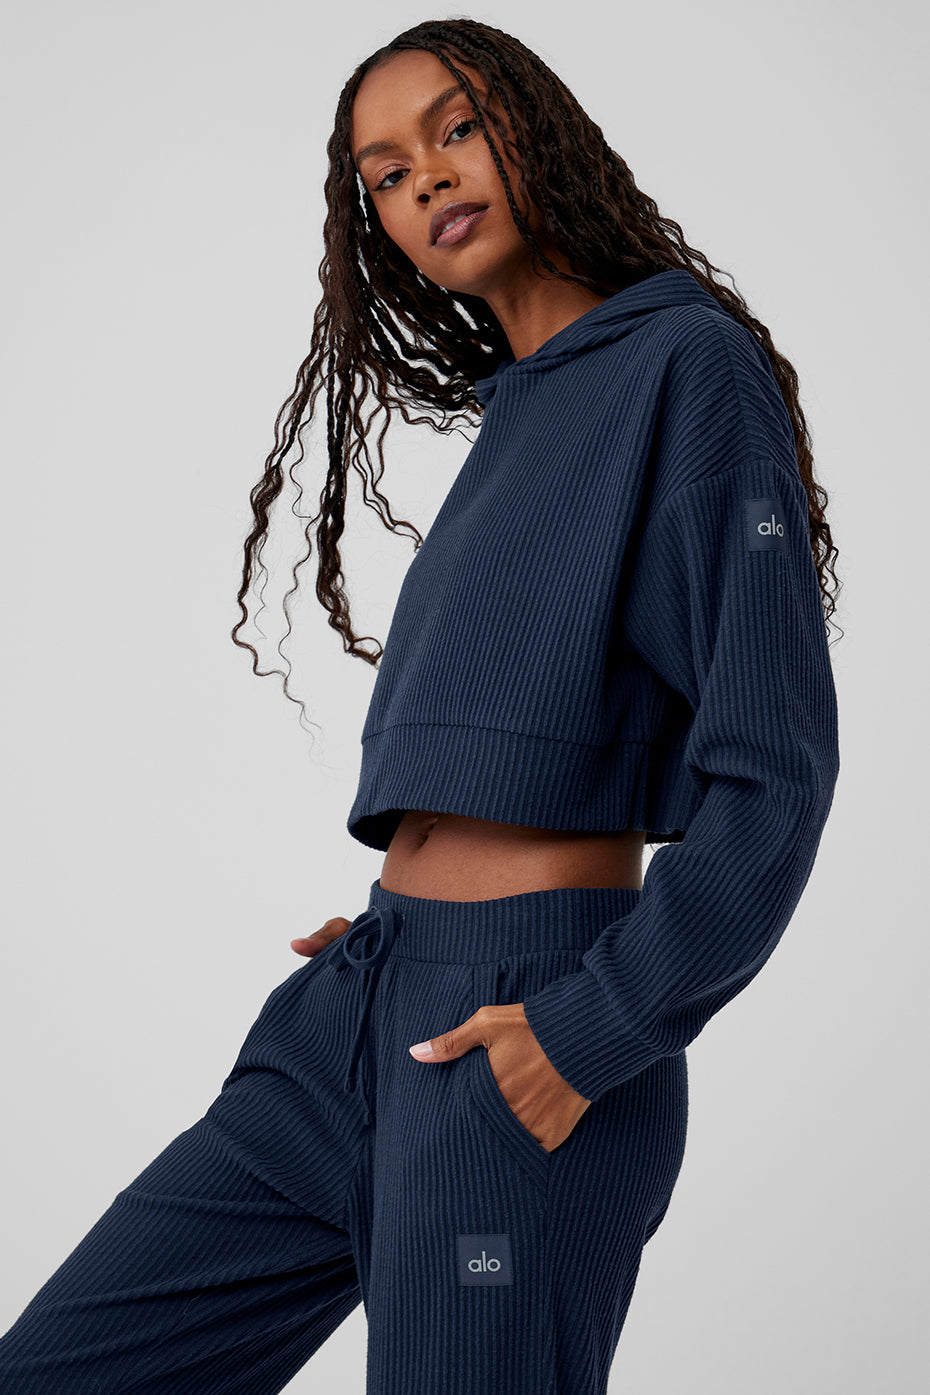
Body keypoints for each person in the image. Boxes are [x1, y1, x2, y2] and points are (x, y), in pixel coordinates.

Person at [0, 16, 841, 1394]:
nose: (428, 178)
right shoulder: (524, 406)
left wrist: (588, 1030)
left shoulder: (683, 367)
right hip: (359, 1007)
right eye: (385, 173)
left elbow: (776, 766)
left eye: (456, 128)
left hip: (518, 1025)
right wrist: (408, 925)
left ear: (539, 131)